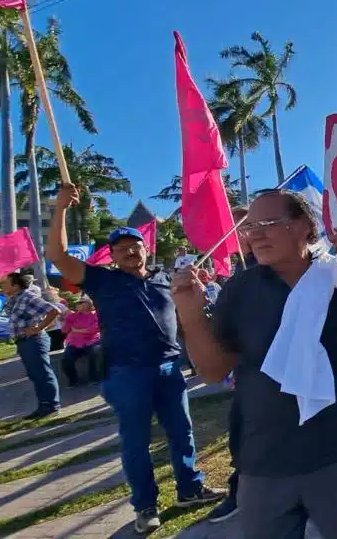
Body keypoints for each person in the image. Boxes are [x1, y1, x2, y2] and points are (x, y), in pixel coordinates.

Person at [173, 189, 337, 539]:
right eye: (249, 226)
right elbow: (213, 371)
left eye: (268, 223)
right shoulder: (239, 290)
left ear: (303, 227)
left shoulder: (335, 276)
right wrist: (190, 313)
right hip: (263, 459)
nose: (255, 234)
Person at [46, 184, 224, 535]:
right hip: (128, 373)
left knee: (182, 434)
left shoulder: (164, 281)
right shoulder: (101, 281)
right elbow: (57, 254)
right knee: (136, 442)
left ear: (146, 248)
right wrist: (61, 209)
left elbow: (187, 319)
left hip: (171, 369)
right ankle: (145, 505)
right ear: (111, 255)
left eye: (135, 246)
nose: (130, 252)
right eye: (121, 249)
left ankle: (190, 489)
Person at [207, 205, 256, 525]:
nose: (244, 233)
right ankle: (239, 492)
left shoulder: (289, 268)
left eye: (248, 225)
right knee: (241, 434)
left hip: (289, 373)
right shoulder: (239, 276)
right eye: (238, 227)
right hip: (249, 372)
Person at [1, 271, 61, 419]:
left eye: (5, 283)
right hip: (23, 341)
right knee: (35, 374)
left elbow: (54, 311)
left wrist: (38, 328)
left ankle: (51, 405)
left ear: (16, 285)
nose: (2, 286)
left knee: (42, 373)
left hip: (34, 340)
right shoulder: (14, 299)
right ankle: (43, 405)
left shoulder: (28, 297)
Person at [61, 298, 102, 387]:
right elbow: (65, 330)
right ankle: (73, 380)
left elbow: (94, 329)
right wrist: (65, 320)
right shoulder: (72, 316)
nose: (77, 304)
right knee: (66, 359)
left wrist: (76, 330)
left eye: (80, 302)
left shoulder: (95, 314)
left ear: (88, 304)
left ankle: (93, 378)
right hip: (75, 342)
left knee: (94, 353)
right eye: (77, 303)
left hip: (92, 341)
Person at [43, 288, 68, 353]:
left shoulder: (43, 306)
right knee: (58, 348)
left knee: (53, 349)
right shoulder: (59, 305)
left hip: (51, 330)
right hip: (57, 329)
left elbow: (69, 315)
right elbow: (69, 315)